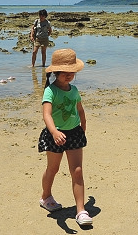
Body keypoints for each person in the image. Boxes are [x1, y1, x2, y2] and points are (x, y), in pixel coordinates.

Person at [38, 49, 92, 227]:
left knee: (77, 171)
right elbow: (47, 114)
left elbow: (80, 111)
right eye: (65, 72)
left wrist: (82, 129)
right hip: (56, 134)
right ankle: (46, 196)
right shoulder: (50, 91)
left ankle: (81, 210)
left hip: (74, 133)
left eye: (72, 72)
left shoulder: (74, 90)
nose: (69, 75)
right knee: (53, 169)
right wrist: (53, 132)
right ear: (56, 72)